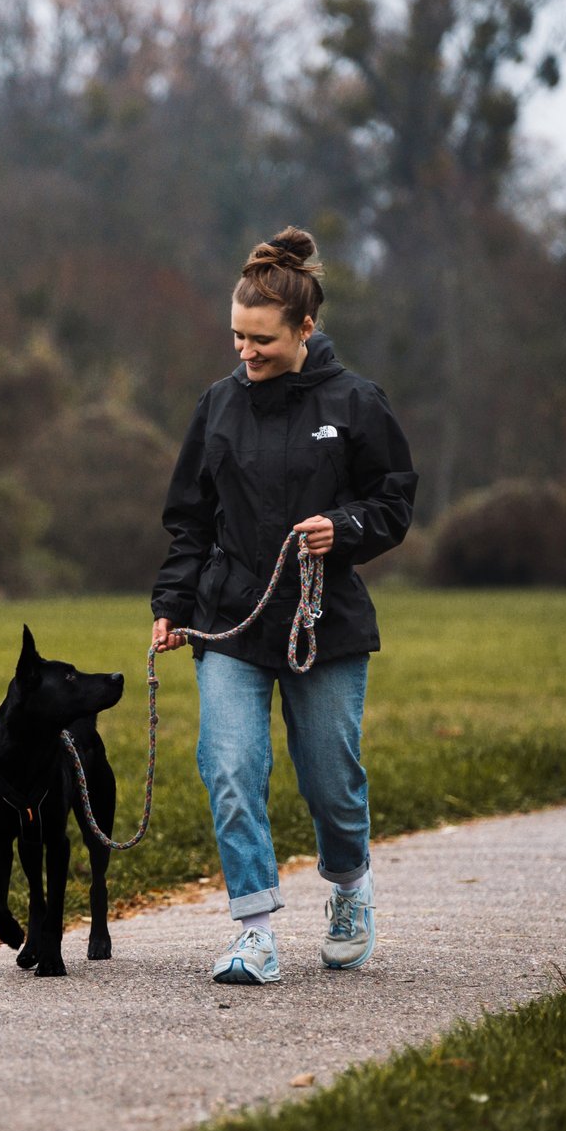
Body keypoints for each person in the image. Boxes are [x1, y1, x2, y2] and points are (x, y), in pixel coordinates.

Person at [150, 226, 417, 985]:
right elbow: (189, 520)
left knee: (331, 778)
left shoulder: (357, 403)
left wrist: (347, 527)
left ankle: (349, 887)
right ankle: (255, 930)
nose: (246, 352)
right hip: (230, 618)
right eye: (236, 337)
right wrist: (171, 604)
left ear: (305, 328)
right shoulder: (217, 407)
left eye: (261, 339)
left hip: (324, 622)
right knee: (229, 767)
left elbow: (393, 502)